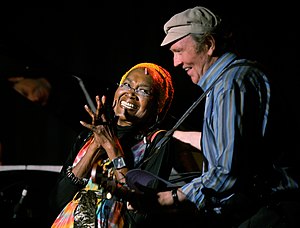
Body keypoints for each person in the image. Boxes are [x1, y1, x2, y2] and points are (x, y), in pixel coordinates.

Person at [155, 6, 300, 227]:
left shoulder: (230, 85)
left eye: (179, 51)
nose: (175, 63)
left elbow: (228, 173)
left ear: (209, 44)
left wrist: (171, 197)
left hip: (272, 210)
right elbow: (226, 144)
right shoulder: (232, 79)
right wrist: (173, 136)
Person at [48, 62, 175, 227]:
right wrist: (94, 147)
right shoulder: (89, 135)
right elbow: (56, 203)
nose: (130, 94)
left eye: (143, 91)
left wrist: (113, 149)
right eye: (127, 85)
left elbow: (140, 216)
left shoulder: (158, 142)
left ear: (159, 106)